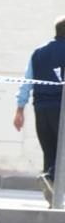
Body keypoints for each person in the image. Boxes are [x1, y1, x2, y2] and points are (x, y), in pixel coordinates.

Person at [13, 16, 65, 206]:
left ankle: (52, 195)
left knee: (50, 152)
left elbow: (27, 82)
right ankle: (50, 179)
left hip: (41, 109)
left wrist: (19, 109)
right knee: (62, 154)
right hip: (62, 109)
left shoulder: (39, 52)